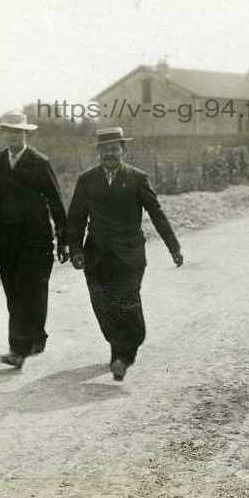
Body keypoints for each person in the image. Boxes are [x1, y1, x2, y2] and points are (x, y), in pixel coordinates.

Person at [67, 127, 183, 382]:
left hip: (129, 255)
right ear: (98, 152)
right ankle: (118, 350)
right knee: (103, 304)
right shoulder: (86, 180)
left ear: (123, 149)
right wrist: (75, 249)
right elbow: (75, 218)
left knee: (127, 303)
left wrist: (173, 247)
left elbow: (157, 214)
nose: (109, 153)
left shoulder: (137, 178)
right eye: (104, 149)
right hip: (96, 255)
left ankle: (123, 355)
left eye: (114, 148)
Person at [0, 110, 68, 368]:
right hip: (6, 239)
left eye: (18, 132)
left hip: (36, 238)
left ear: (26, 134)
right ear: (3, 135)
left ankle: (18, 348)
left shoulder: (40, 162)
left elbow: (56, 202)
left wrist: (64, 238)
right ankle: (34, 337)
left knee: (32, 289)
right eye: (8, 132)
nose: (13, 136)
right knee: (14, 292)